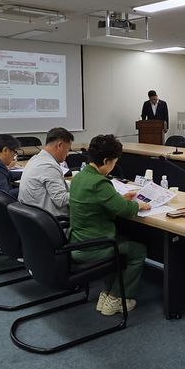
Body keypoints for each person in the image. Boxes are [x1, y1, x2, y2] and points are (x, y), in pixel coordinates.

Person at [68, 134, 151, 316]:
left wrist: (120, 199)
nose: (114, 166)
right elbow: (125, 210)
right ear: (106, 161)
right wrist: (138, 204)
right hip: (94, 245)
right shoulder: (99, 182)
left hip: (77, 240)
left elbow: (99, 203)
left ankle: (106, 295)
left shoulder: (81, 176)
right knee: (138, 251)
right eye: (114, 162)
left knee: (122, 241)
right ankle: (118, 298)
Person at [18, 127, 74, 220]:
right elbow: (61, 200)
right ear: (60, 145)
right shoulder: (49, 166)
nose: (68, 154)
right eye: (68, 149)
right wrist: (83, 193)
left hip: (34, 219)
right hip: (52, 222)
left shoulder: (35, 159)